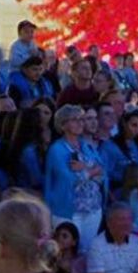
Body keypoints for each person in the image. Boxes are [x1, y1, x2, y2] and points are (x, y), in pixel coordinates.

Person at [45, 104, 107, 251]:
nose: (80, 123)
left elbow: (102, 172)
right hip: (68, 210)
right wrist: (91, 171)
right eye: (74, 119)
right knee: (68, 252)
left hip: (93, 208)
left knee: (87, 251)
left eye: (81, 119)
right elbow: (69, 179)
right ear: (63, 125)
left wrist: (84, 168)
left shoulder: (86, 146)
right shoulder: (57, 149)